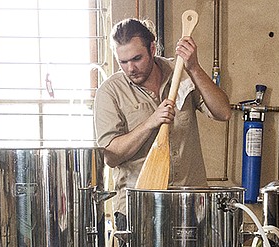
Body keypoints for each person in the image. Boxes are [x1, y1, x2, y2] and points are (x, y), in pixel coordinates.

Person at [93, 17, 232, 229]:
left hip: (191, 205)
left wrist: (194, 68)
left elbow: (223, 112)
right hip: (139, 209)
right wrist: (150, 123)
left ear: (152, 47)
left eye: (137, 58)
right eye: (123, 62)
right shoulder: (110, 92)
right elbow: (111, 155)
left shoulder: (181, 73)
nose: (130, 68)